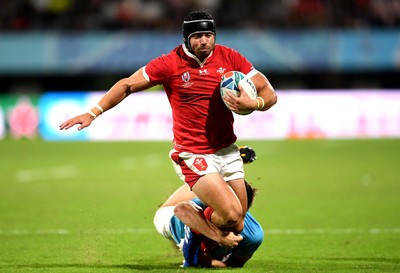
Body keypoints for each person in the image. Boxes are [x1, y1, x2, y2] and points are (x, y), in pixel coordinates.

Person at [59, 11, 277, 235]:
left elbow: (269, 91)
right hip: (194, 153)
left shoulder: (230, 57)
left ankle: (197, 227)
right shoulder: (170, 64)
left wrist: (255, 103)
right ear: (186, 39)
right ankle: (185, 222)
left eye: (208, 35)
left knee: (237, 222)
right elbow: (126, 85)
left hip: (226, 150)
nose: (204, 40)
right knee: (230, 214)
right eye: (197, 36)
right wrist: (93, 113)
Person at [154, 180, 263, 268]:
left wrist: (213, 263)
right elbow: (181, 210)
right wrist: (219, 237)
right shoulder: (196, 211)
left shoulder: (252, 235)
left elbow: (234, 264)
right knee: (202, 181)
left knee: (207, 181)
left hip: (204, 240)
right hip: (169, 216)